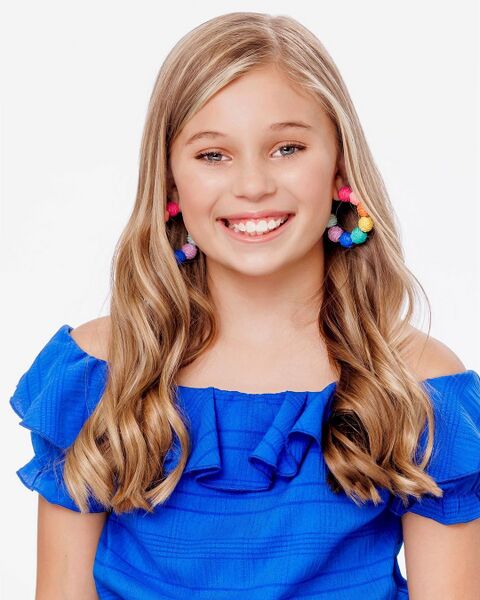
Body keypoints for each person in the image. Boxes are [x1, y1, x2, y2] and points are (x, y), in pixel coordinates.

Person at [9, 11, 480, 600]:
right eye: (213, 155)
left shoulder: (417, 385)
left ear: (339, 163)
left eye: (287, 148)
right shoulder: (100, 372)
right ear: (170, 180)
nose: (253, 185)